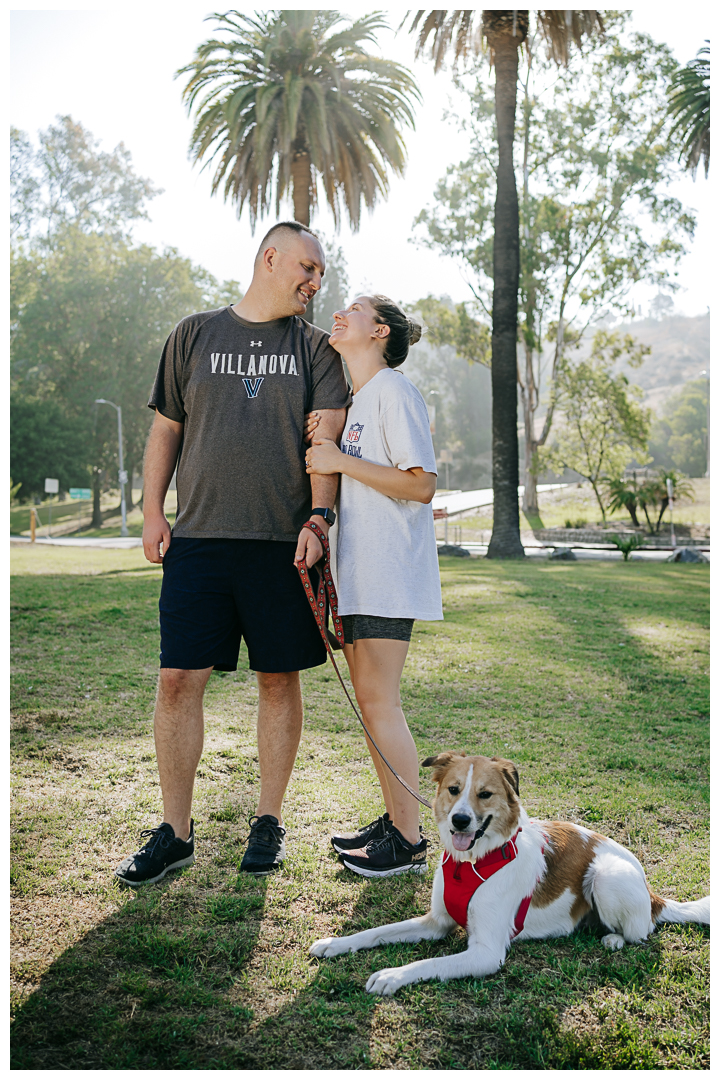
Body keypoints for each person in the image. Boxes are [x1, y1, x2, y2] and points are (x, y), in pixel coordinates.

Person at [114, 222, 350, 886]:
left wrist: (321, 516)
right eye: (307, 267)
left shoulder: (317, 350)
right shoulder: (193, 334)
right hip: (199, 543)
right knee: (176, 682)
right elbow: (167, 429)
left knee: (279, 681)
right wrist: (154, 509)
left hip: (284, 547)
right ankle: (175, 832)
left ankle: (268, 823)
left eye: (321, 273)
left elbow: (324, 442)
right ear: (269, 258)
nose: (314, 281)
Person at [304, 294, 442, 877]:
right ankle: (393, 820)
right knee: (371, 706)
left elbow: (421, 485)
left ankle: (409, 841)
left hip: (389, 578)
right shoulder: (361, 400)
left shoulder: (394, 390)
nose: (339, 312)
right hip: (359, 577)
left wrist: (336, 458)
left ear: (379, 331)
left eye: (354, 309)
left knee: (383, 705)